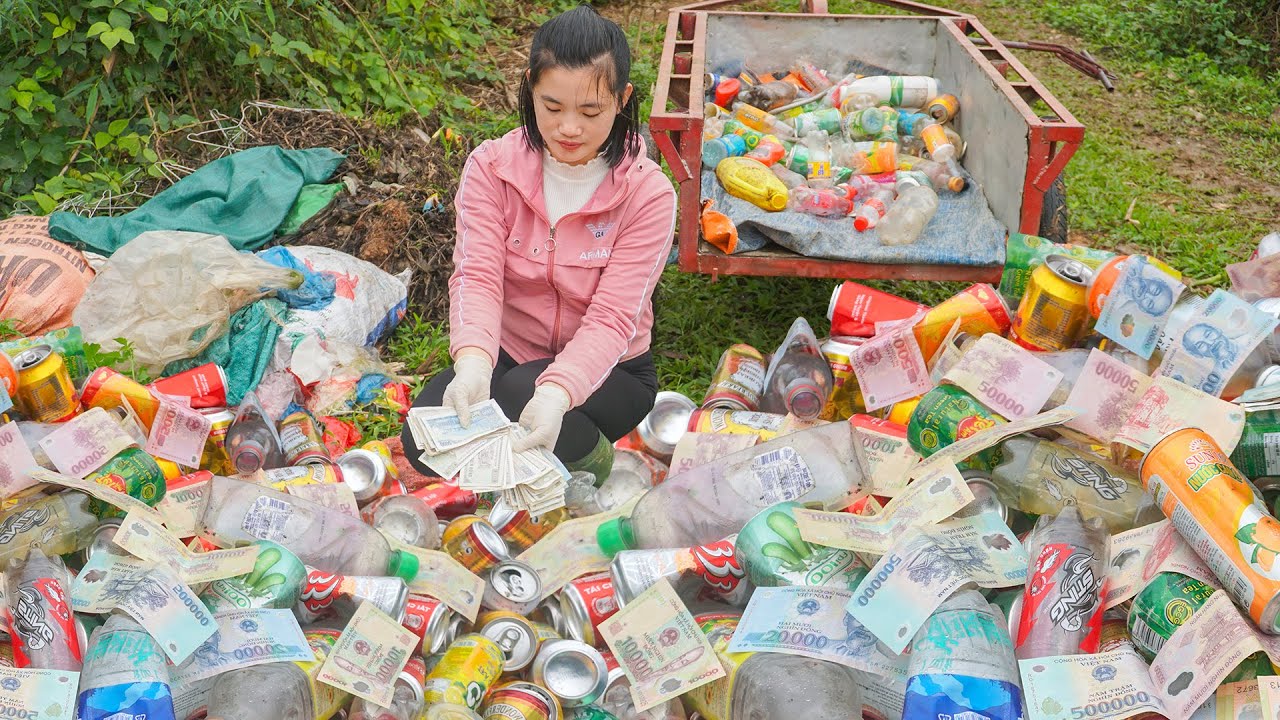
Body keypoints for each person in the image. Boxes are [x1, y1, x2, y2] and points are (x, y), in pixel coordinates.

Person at [402, 6, 676, 479]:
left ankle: (596, 463)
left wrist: (557, 393)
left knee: (521, 396)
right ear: (530, 87)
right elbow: (477, 277)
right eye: (552, 107)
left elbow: (613, 317)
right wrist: (472, 365)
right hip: (510, 352)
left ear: (622, 98)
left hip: (615, 370)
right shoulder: (491, 169)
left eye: (591, 111)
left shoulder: (648, 193)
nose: (569, 127)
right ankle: (528, 443)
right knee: (421, 439)